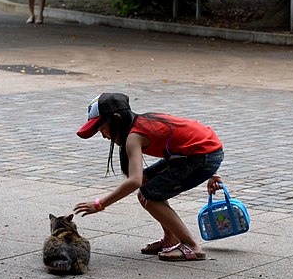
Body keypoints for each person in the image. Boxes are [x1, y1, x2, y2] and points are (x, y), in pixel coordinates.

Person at [74, 93, 224, 262]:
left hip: (201, 157)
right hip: (199, 153)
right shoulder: (143, 122)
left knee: (150, 196)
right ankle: (171, 239)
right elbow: (187, 138)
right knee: (147, 190)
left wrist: (100, 204)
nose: (104, 136)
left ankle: (191, 245)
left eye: (101, 129)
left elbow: (134, 181)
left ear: (116, 119)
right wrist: (213, 173)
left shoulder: (134, 136)